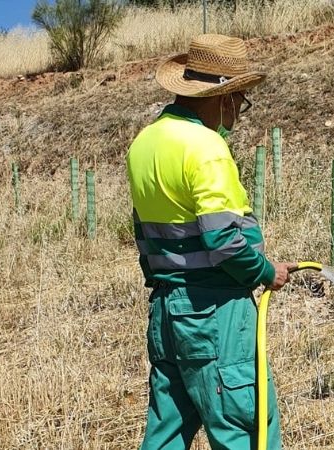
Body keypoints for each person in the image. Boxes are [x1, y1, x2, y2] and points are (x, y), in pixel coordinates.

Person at [126, 34, 295, 450]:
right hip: (214, 313)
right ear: (222, 98)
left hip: (166, 311)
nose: (239, 111)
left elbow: (144, 231)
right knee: (245, 427)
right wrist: (266, 272)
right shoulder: (206, 146)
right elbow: (225, 241)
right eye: (238, 100)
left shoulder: (144, 144)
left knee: (166, 432)